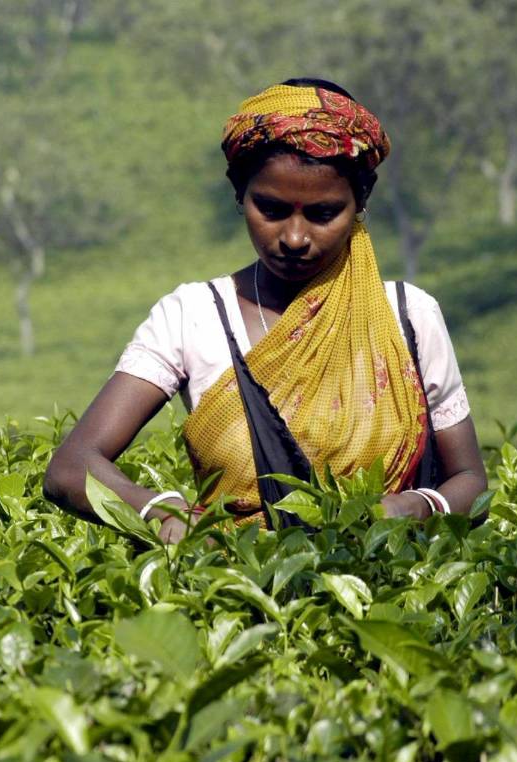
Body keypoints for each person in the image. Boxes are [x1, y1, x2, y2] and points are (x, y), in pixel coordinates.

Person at [43, 78, 486, 542]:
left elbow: (471, 482)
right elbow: (72, 468)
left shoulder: (409, 316)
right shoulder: (193, 316)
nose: (294, 237)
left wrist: (417, 507)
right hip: (235, 594)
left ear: (361, 203)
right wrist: (167, 513)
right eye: (271, 209)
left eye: (323, 214)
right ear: (239, 195)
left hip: (390, 599)